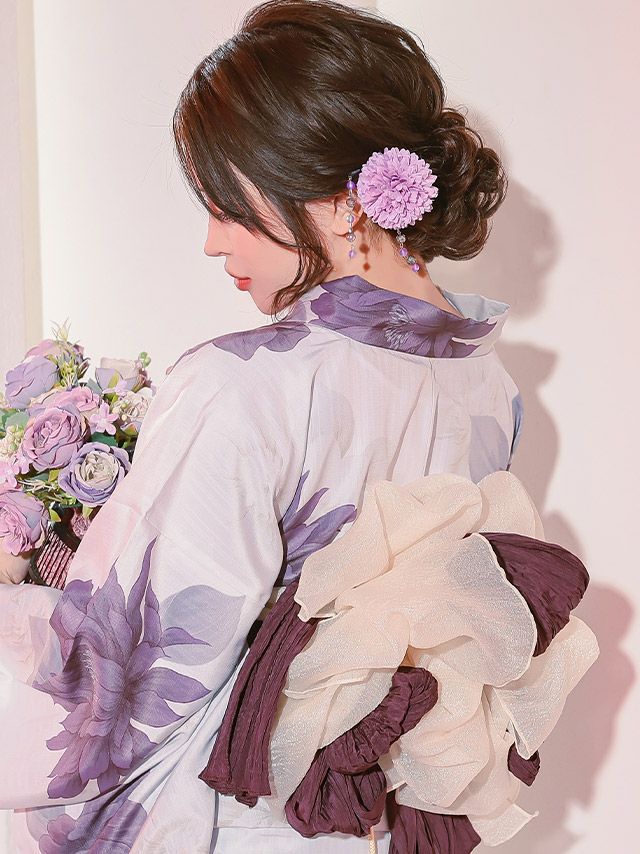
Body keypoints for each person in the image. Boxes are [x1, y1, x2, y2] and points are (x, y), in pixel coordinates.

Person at [0, 1, 598, 851]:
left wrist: (16, 581)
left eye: (228, 204)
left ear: (342, 198)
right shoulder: (487, 388)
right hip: (356, 827)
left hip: (231, 817)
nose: (213, 242)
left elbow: (115, 687)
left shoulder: (245, 386)